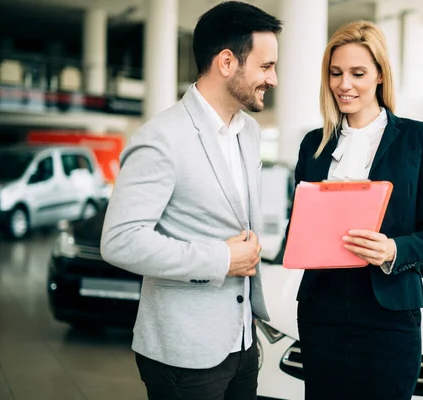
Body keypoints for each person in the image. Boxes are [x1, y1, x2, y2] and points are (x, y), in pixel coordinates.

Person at [99, 2, 282, 399]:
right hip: (183, 354)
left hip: (242, 340)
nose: (274, 79)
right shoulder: (161, 138)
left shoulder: (249, 132)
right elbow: (120, 241)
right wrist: (221, 258)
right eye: (266, 66)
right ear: (227, 62)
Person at [288, 21, 423, 399]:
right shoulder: (314, 144)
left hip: (389, 312)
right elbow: (297, 226)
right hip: (322, 310)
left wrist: (393, 250)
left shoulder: (417, 138)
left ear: (379, 75)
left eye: (358, 73)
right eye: (336, 73)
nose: (345, 84)